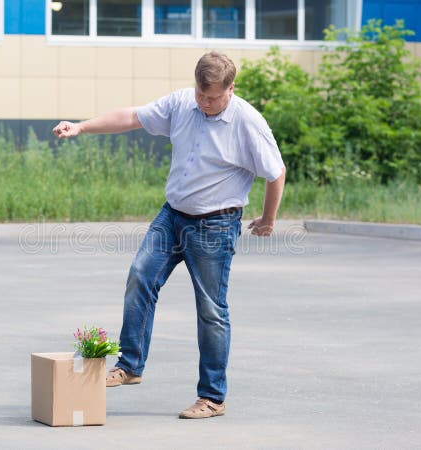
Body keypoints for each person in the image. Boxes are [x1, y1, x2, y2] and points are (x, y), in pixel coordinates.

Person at [52, 51, 285, 419]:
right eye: (201, 95)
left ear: (231, 88)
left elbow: (275, 173)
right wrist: (81, 126)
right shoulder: (181, 103)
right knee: (141, 276)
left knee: (211, 310)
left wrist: (268, 220)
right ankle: (129, 366)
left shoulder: (247, 122)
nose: (206, 103)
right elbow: (131, 116)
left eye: (214, 97)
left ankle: (212, 397)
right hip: (172, 216)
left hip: (215, 225)